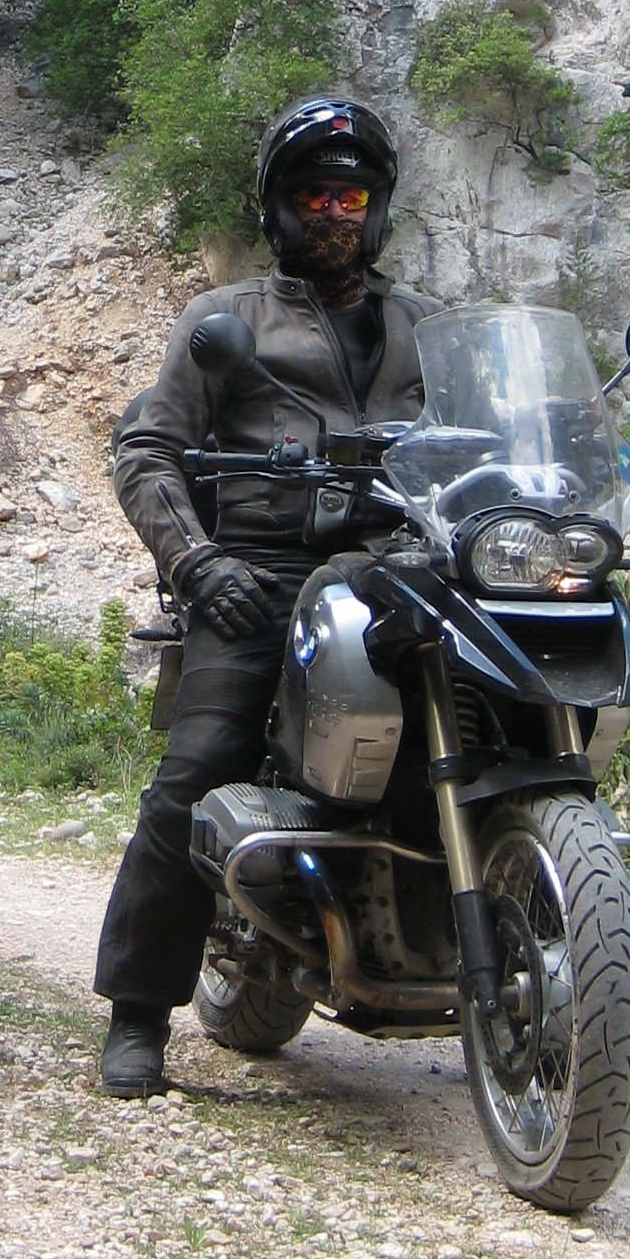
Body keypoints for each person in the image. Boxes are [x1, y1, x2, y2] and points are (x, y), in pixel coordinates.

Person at [93, 94, 439, 1098]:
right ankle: (139, 1011)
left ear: (378, 210)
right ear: (279, 207)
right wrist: (200, 565)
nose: (334, 212)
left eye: (351, 197)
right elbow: (148, 451)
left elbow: (492, 442)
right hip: (262, 574)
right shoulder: (229, 319)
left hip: (402, 570)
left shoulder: (428, 327)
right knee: (199, 764)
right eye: (314, 195)